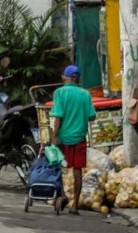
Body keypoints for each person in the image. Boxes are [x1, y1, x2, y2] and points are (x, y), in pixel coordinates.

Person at [50, 64, 97, 214]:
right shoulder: (85, 94)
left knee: (59, 167)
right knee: (77, 170)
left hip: (63, 137)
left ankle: (63, 195)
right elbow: (92, 116)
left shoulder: (59, 93)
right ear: (78, 79)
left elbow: (58, 117)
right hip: (79, 138)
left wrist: (53, 137)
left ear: (66, 77)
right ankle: (75, 205)